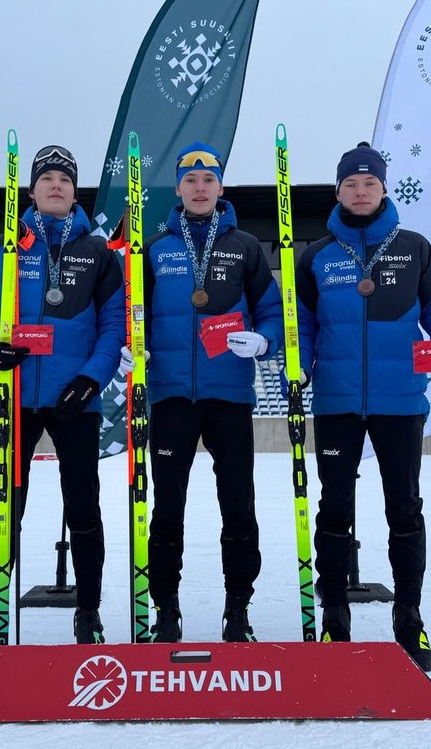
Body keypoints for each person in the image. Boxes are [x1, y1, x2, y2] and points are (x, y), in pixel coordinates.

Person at [293, 142, 431, 671]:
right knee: (334, 508)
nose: (360, 191)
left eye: (369, 183)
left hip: (400, 401)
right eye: (351, 184)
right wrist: (300, 364)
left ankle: (409, 618)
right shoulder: (317, 255)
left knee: (404, 507)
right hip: (335, 401)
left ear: (383, 188)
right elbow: (304, 321)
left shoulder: (415, 248)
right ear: (338, 191)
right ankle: (335, 619)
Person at [0, 144, 125, 663]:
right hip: (13, 398)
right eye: (47, 178)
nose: (56, 185)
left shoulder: (98, 254)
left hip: (75, 400)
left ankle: (89, 613)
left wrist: (92, 379)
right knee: (5, 509)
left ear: (76, 192)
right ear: (31, 191)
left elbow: (115, 324)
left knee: (84, 507)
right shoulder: (4, 248)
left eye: (65, 179)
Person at [118, 141, 282, 643]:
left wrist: (264, 340)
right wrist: (131, 348)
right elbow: (133, 311)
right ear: (179, 189)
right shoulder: (155, 245)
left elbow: (273, 310)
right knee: (168, 508)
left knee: (238, 506)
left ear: (220, 188)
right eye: (191, 181)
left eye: (208, 180)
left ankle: (239, 610)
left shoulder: (246, 245)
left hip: (229, 394)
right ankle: (166, 610)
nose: (200, 188)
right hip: (169, 395)